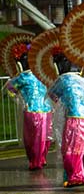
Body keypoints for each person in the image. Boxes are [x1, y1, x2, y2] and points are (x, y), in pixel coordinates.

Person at [47, 47, 84, 187]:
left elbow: (52, 96)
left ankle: (76, 176)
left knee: (71, 148)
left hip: (75, 118)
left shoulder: (62, 80)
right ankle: (82, 174)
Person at [5, 42, 52, 170]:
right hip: (46, 110)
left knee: (32, 138)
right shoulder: (41, 74)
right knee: (44, 136)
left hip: (32, 110)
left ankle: (35, 161)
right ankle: (41, 158)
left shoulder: (21, 77)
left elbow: (9, 89)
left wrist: (18, 97)